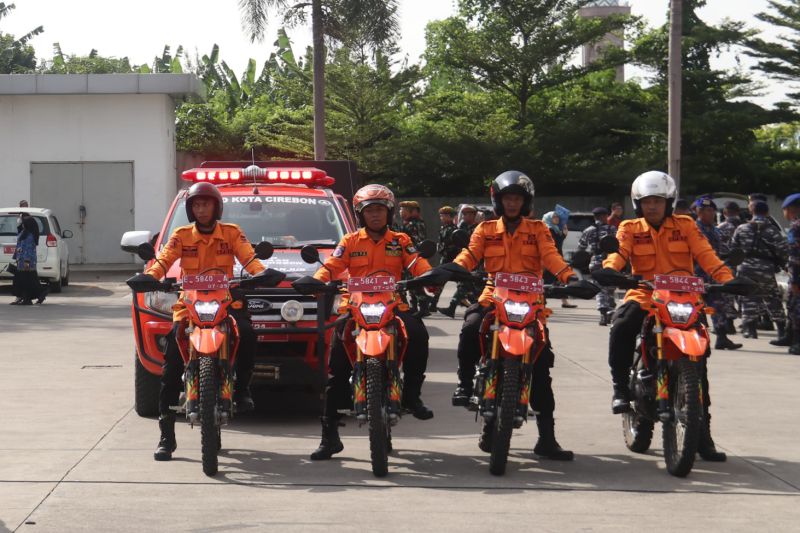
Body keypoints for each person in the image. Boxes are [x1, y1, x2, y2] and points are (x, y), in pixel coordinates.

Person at [598, 171, 737, 461]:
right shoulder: (629, 227)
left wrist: (728, 279)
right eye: (647, 201)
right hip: (645, 295)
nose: (652, 206)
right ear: (638, 203)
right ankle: (621, 388)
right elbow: (619, 254)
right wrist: (611, 270)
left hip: (683, 298)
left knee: (699, 367)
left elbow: (707, 256)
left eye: (658, 201)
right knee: (621, 325)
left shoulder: (686, 226)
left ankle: (703, 437)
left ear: (669, 203)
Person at [451, 171, 577, 460]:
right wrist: (453, 268)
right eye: (507, 198)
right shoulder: (485, 229)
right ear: (498, 200)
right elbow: (470, 255)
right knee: (470, 327)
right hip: (493, 296)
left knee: (542, 364)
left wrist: (569, 277)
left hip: (530, 302)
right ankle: (465, 383)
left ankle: (547, 439)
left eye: (517, 198)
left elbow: (551, 256)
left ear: (526, 201)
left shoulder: (538, 230)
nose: (512, 204)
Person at [142, 182, 266, 461]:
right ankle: (166, 435)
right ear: (191, 209)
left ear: (216, 207)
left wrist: (261, 273)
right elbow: (164, 260)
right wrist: (151, 276)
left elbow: (250, 259)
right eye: (196, 205)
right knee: (171, 364)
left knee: (247, 333)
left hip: (226, 302)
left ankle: (243, 388)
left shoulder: (232, 233)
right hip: (189, 306)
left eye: (206, 204)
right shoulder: (181, 235)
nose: (201, 209)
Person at [310, 184, 434, 461]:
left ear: (389, 213)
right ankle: (328, 435)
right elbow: (332, 265)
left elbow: (416, 263)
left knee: (418, 334)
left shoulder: (401, 240)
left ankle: (412, 396)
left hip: (393, 306)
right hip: (355, 309)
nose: (375, 216)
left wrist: (431, 278)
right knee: (336, 368)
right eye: (370, 211)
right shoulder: (350, 241)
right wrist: (317, 281)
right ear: (360, 215)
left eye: (380, 210)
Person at [732, 201, 789, 341]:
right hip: (766, 269)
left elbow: (733, 249)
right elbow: (783, 251)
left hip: (745, 267)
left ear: (752, 211)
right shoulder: (772, 231)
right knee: (772, 297)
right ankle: (781, 330)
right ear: (767, 212)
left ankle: (750, 330)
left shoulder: (741, 228)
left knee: (748, 297)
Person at [694, 198, 741, 350]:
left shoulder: (715, 229)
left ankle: (721, 337)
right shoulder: (693, 229)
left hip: (713, 275)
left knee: (717, 306)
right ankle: (697, 339)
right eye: (705, 210)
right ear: (698, 212)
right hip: (695, 275)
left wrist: (729, 256)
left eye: (711, 210)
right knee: (695, 308)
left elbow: (721, 250)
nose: (709, 213)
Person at [578, 207, 617, 325]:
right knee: (610, 287)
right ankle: (610, 307)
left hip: (596, 262)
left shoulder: (588, 230)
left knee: (599, 289)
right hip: (612, 261)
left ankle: (603, 313)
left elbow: (581, 248)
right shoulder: (613, 229)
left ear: (594, 217)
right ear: (606, 216)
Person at [439, 205, 480, 317]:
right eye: (464, 214)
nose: (465, 216)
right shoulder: (463, 227)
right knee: (466, 285)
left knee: (468, 285)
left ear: (473, 215)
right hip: (464, 259)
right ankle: (474, 306)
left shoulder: (478, 228)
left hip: (476, 260)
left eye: (468, 214)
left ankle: (475, 306)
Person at [398, 200, 431, 316]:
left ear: (413, 212)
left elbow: (416, 242)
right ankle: (414, 306)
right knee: (411, 283)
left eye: (404, 210)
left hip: (413, 257)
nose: (401, 212)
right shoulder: (409, 223)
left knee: (414, 283)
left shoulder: (414, 224)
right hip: (409, 257)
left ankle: (423, 307)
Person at [717, 201, 743, 333]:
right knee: (743, 294)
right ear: (738, 212)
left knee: (727, 294)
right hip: (744, 265)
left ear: (725, 213)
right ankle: (749, 325)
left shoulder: (721, 227)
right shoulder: (745, 226)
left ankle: (729, 323)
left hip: (726, 264)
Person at [543, 211, 576, 309]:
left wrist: (564, 233)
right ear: (549, 218)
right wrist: (563, 234)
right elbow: (555, 242)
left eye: (557, 217)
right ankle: (541, 301)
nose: (557, 219)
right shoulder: (548, 230)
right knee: (546, 281)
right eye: (554, 217)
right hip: (550, 259)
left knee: (560, 279)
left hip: (557, 257)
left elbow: (559, 242)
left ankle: (564, 301)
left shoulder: (555, 229)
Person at [11, 214, 46, 305]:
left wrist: (26, 261)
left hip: (27, 262)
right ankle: (27, 297)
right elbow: (19, 244)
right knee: (25, 280)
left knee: (26, 281)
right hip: (21, 260)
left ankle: (27, 298)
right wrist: (16, 257)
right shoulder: (23, 233)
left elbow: (29, 249)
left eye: (23, 223)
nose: (22, 224)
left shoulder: (30, 236)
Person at [430, 206, 459, 313]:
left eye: (443, 216)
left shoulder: (453, 230)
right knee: (440, 282)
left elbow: (454, 245)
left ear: (449, 216)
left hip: (452, 259)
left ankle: (473, 301)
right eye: (441, 215)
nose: (441, 218)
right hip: (445, 258)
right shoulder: (444, 228)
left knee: (463, 283)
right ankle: (433, 303)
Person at [782, 193, 800, 355]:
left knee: (797, 308)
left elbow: (795, 256)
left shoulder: (796, 227)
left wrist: (795, 280)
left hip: (798, 275)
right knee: (792, 305)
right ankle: (791, 336)